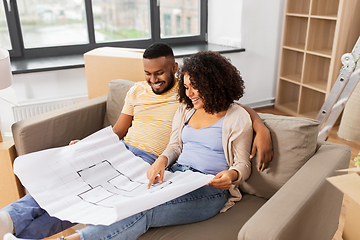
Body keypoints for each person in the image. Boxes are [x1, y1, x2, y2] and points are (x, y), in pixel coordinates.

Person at [1, 44, 272, 240]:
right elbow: (175, 146)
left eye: (192, 86)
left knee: (141, 209)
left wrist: (235, 171)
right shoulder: (186, 107)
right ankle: (9, 221)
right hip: (173, 176)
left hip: (207, 187)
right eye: (186, 87)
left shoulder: (235, 116)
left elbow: (240, 162)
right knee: (78, 187)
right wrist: (162, 161)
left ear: (211, 84)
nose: (187, 92)